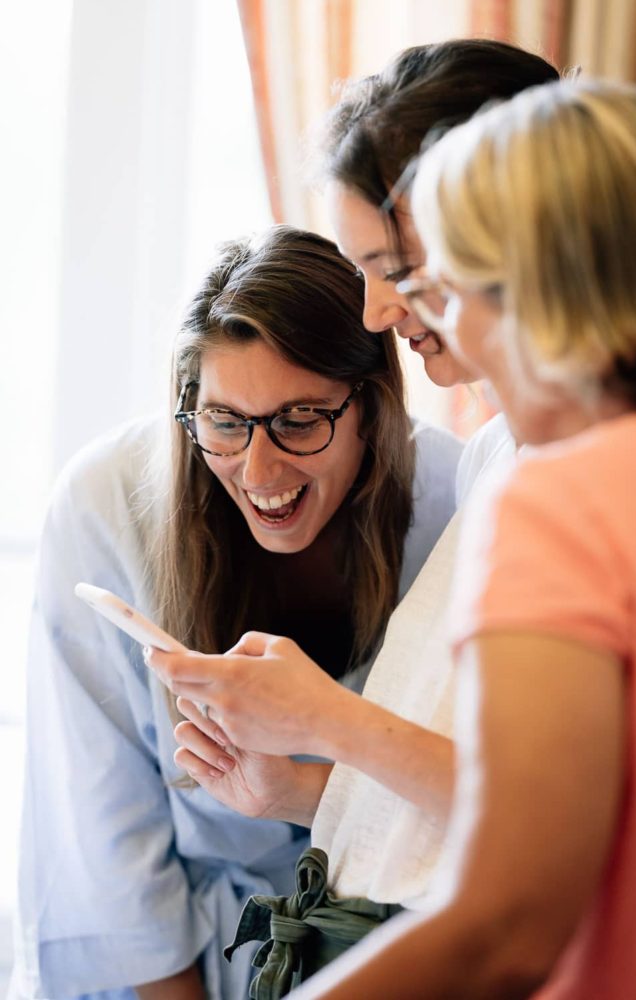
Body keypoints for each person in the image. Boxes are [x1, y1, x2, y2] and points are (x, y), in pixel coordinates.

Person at [146, 39, 564, 994]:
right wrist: (298, 788)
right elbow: (466, 783)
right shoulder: (504, 450)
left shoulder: (591, 473)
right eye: (359, 268)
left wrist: (329, 719)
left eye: (396, 266)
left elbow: (559, 816)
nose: (376, 312)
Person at [283, 77, 636, 999]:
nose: (416, 318)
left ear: (536, 281)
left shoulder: (563, 498)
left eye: (436, 282)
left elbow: (507, 924)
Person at [11, 225, 462, 1000]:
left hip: (397, 947)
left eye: (298, 421)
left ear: (371, 405)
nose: (258, 470)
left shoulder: (455, 501)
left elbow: (486, 807)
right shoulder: (105, 503)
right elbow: (102, 848)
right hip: (176, 962)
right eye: (224, 421)